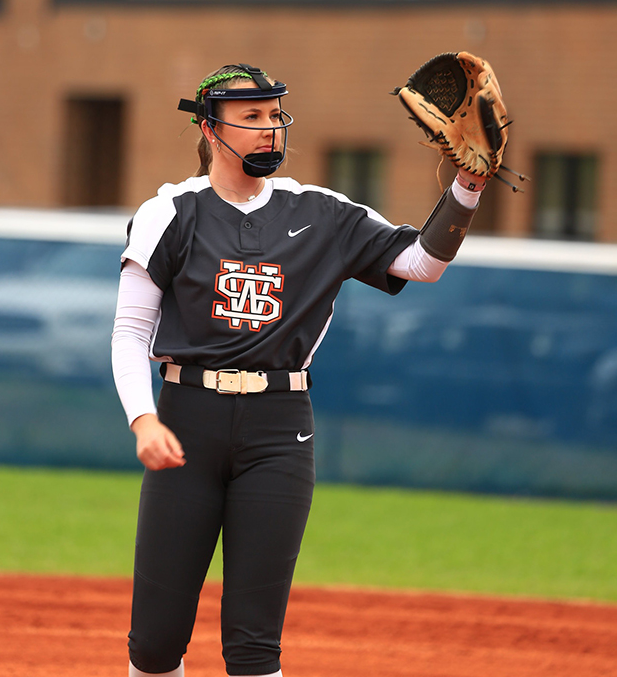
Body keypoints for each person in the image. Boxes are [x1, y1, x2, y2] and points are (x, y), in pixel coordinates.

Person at [111, 62, 486, 677]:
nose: (269, 130)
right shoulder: (169, 213)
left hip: (279, 429)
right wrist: (143, 420)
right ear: (210, 128)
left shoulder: (325, 212)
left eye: (275, 117)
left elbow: (421, 262)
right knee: (154, 643)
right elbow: (129, 333)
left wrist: (467, 188)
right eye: (251, 118)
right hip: (186, 424)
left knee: (254, 646)